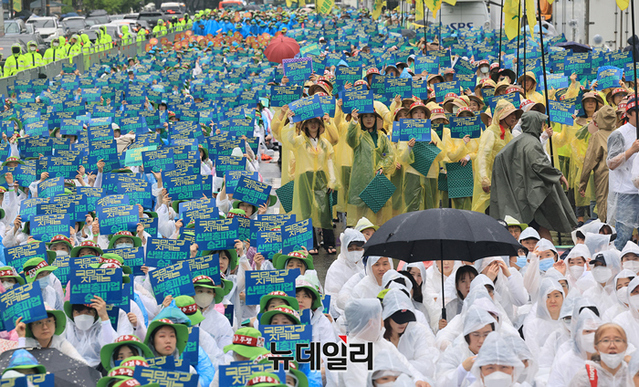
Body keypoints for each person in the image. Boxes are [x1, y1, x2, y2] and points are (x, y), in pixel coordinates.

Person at [491, 110, 577, 240]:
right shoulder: (532, 142)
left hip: (518, 191)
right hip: (530, 193)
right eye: (541, 123)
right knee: (540, 226)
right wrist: (558, 174)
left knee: (534, 227)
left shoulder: (519, 140)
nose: (543, 126)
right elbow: (539, 165)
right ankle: (550, 253)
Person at [472, 99, 522, 214]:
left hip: (504, 182)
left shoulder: (509, 134)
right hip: (491, 182)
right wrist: (484, 179)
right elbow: (482, 156)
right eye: (510, 114)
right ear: (501, 116)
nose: (513, 117)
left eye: (514, 114)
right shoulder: (490, 133)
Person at [606, 96, 639, 249]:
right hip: (626, 192)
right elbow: (611, 163)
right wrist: (631, 150)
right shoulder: (619, 134)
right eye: (637, 112)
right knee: (623, 235)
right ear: (628, 114)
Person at [580, 105, 616, 221]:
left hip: (604, 175)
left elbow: (589, 161)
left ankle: (607, 233)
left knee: (603, 204)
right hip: (620, 174)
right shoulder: (620, 132)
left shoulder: (597, 136)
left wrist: (582, 183)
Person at [15, 306, 86, 364]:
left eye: (49, 321)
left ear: (55, 323)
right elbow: (18, 365)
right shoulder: (26, 344)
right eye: (39, 323)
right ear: (31, 327)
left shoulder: (61, 343)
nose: (45, 327)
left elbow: (81, 363)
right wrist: (21, 338)